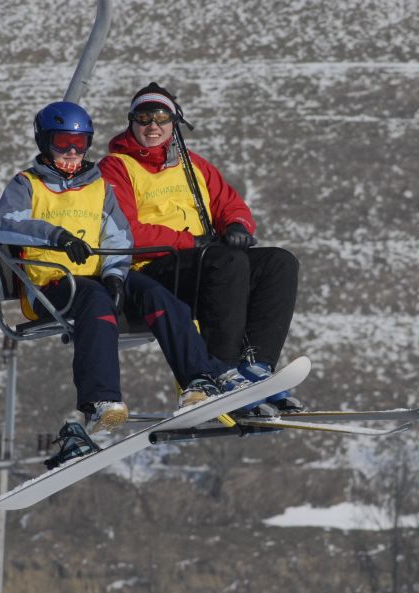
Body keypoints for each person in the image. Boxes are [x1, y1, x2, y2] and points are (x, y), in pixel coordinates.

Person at [0, 101, 238, 446]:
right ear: (44, 142)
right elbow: (5, 224)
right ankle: (101, 399)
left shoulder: (98, 185)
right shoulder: (27, 184)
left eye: (80, 143)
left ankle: (199, 379)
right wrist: (57, 236)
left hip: (96, 278)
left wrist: (115, 275)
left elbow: (118, 235)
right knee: (94, 301)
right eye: (63, 143)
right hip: (50, 285)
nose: (72, 152)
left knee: (154, 294)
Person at [98, 82, 302, 412]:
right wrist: (189, 241)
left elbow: (230, 204)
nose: (153, 126)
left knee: (279, 263)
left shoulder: (193, 166)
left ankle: (256, 367)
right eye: (144, 118)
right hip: (155, 267)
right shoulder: (117, 168)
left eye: (161, 118)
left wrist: (237, 226)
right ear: (131, 122)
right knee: (226, 262)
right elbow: (125, 231)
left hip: (203, 261)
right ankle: (223, 371)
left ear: (175, 123)